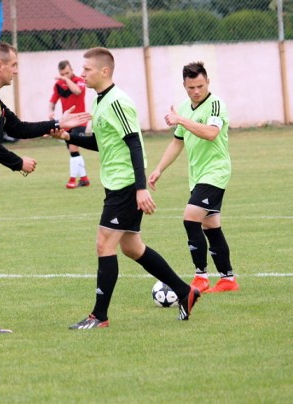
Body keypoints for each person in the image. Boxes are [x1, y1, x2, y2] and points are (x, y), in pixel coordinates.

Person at [50, 47, 200, 329]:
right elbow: (102, 143)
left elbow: (134, 143)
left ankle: (99, 316)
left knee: (104, 244)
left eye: (87, 70)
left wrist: (140, 188)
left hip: (126, 185)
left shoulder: (118, 101)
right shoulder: (98, 102)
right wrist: (68, 136)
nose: (82, 74)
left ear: (104, 71)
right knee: (132, 247)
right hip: (116, 185)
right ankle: (185, 291)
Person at [0, 41, 86, 335]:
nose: (16, 71)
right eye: (13, 65)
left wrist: (56, 122)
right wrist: (18, 162)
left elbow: (18, 128)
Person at [148, 61, 237, 293]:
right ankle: (228, 279)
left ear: (207, 82)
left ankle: (200, 277)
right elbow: (177, 143)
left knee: (190, 218)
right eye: (191, 87)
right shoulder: (184, 108)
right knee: (210, 225)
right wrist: (159, 169)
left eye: (200, 85)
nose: (196, 91)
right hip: (198, 176)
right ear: (184, 86)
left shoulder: (216, 104)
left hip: (216, 172)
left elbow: (210, 133)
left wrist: (181, 120)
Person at [49, 60, 91, 189]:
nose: (66, 75)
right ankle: (84, 179)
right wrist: (50, 112)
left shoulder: (79, 80)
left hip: (80, 120)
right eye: (63, 74)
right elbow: (53, 100)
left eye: (67, 73)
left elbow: (77, 91)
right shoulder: (58, 85)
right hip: (67, 122)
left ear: (72, 70)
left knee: (73, 148)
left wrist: (66, 80)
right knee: (73, 152)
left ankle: (72, 180)